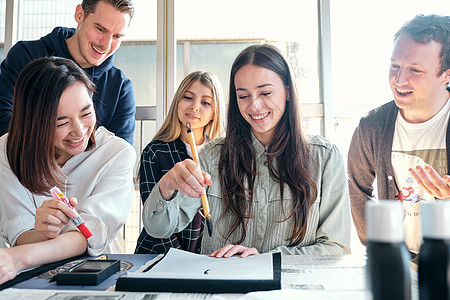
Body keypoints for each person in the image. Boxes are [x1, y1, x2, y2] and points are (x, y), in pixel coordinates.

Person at [142, 44, 351, 257]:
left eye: (266, 93)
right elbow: (159, 229)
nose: (255, 106)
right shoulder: (212, 157)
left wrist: (264, 260)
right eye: (243, 96)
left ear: (287, 91)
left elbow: (335, 248)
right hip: (222, 288)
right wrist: (166, 186)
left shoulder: (325, 158)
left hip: (289, 288)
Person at [0, 56, 136, 285]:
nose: (79, 131)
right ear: (33, 122)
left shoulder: (116, 154)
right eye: (61, 122)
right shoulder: (7, 150)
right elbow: (20, 235)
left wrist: (17, 259)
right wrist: (43, 232)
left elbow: (88, 237)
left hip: (101, 279)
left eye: (86, 113)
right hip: (32, 281)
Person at [348, 14, 450, 257]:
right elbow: (357, 191)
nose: (399, 79)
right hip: (400, 266)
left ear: (446, 75)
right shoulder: (371, 127)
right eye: (395, 66)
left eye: (415, 70)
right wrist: (383, 251)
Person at [0, 0, 136, 144]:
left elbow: (121, 152)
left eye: (117, 36)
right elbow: (3, 120)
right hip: (23, 164)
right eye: (100, 29)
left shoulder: (121, 88)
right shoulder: (27, 55)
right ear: (79, 14)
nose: (106, 44)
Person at [135, 71, 225, 254]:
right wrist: (179, 258)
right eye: (188, 98)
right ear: (177, 102)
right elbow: (155, 217)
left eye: (205, 102)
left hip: (208, 258)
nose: (195, 107)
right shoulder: (155, 152)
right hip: (159, 254)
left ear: (215, 113)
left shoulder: (223, 154)